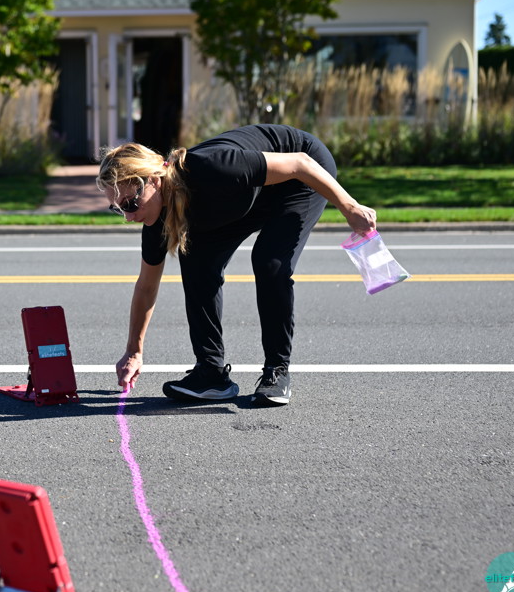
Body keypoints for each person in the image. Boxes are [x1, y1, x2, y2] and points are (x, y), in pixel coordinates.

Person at [97, 124, 376, 406]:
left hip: (302, 174)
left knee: (269, 261)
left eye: (130, 203)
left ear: (153, 181)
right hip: (249, 194)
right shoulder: (156, 218)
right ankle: (211, 374)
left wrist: (350, 207)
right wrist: (134, 351)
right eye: (118, 208)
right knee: (196, 261)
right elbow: (146, 286)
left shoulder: (212, 168)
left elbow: (300, 163)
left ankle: (277, 370)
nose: (128, 217)